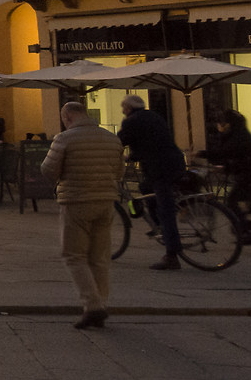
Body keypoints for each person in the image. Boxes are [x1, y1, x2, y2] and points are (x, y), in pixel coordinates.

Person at [43, 100, 126, 330]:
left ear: (67, 117)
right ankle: (101, 303)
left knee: (73, 255)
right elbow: (120, 171)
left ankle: (93, 305)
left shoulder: (64, 138)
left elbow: (48, 169)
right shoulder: (111, 138)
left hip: (76, 200)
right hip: (106, 200)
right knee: (99, 257)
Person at [116, 98, 187, 269]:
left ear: (129, 108)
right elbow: (150, 143)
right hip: (175, 162)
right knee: (145, 188)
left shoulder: (131, 121)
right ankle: (159, 226)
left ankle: (171, 256)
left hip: (160, 168)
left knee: (165, 210)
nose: (123, 112)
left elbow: (118, 142)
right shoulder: (154, 116)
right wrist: (132, 156)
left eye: (123, 108)